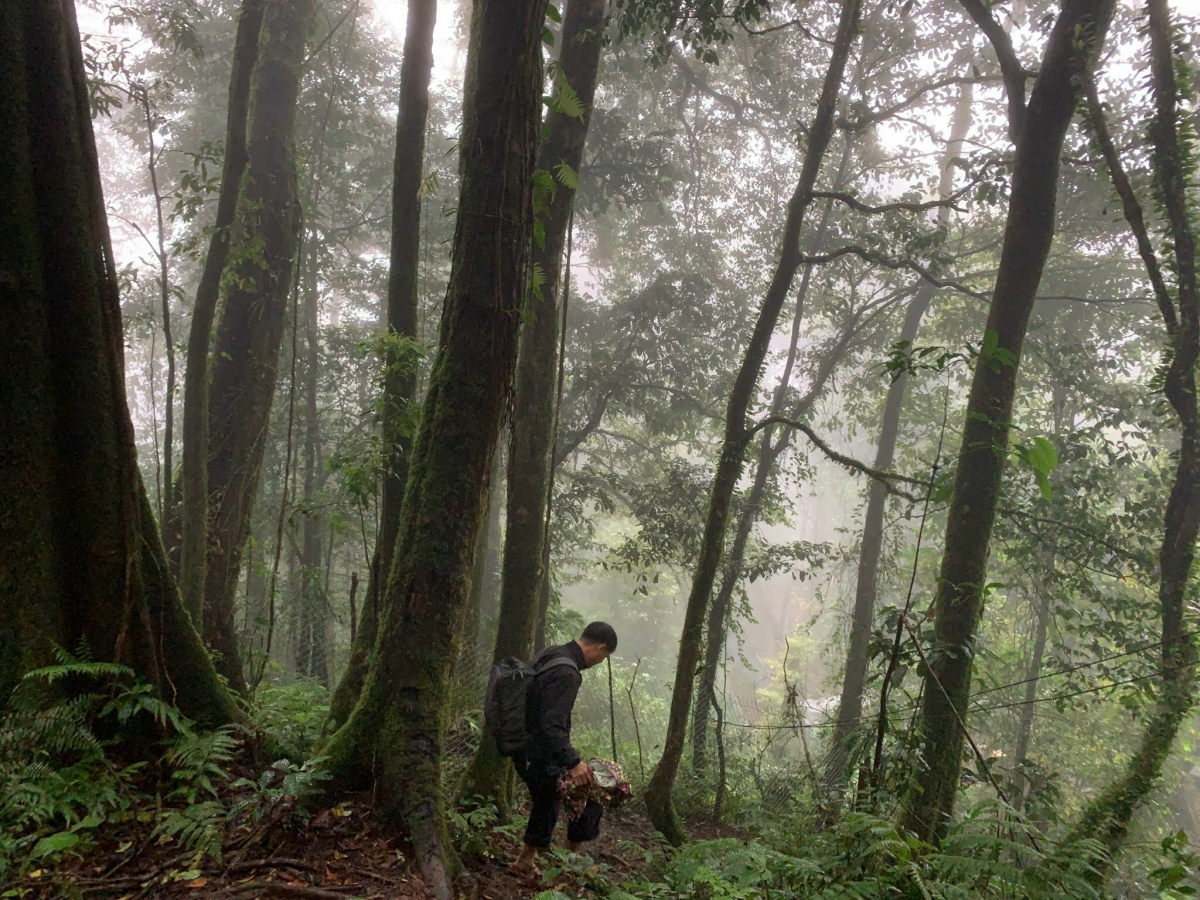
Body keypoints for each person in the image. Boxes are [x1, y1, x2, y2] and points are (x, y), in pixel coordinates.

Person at [511, 621, 618, 875]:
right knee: (596, 789)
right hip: (538, 750)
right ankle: (568, 861)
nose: (601, 662)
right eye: (605, 657)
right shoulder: (568, 673)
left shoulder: (553, 652)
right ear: (601, 649)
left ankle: (526, 859)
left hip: (525, 745)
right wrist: (573, 762)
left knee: (546, 800)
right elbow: (551, 725)